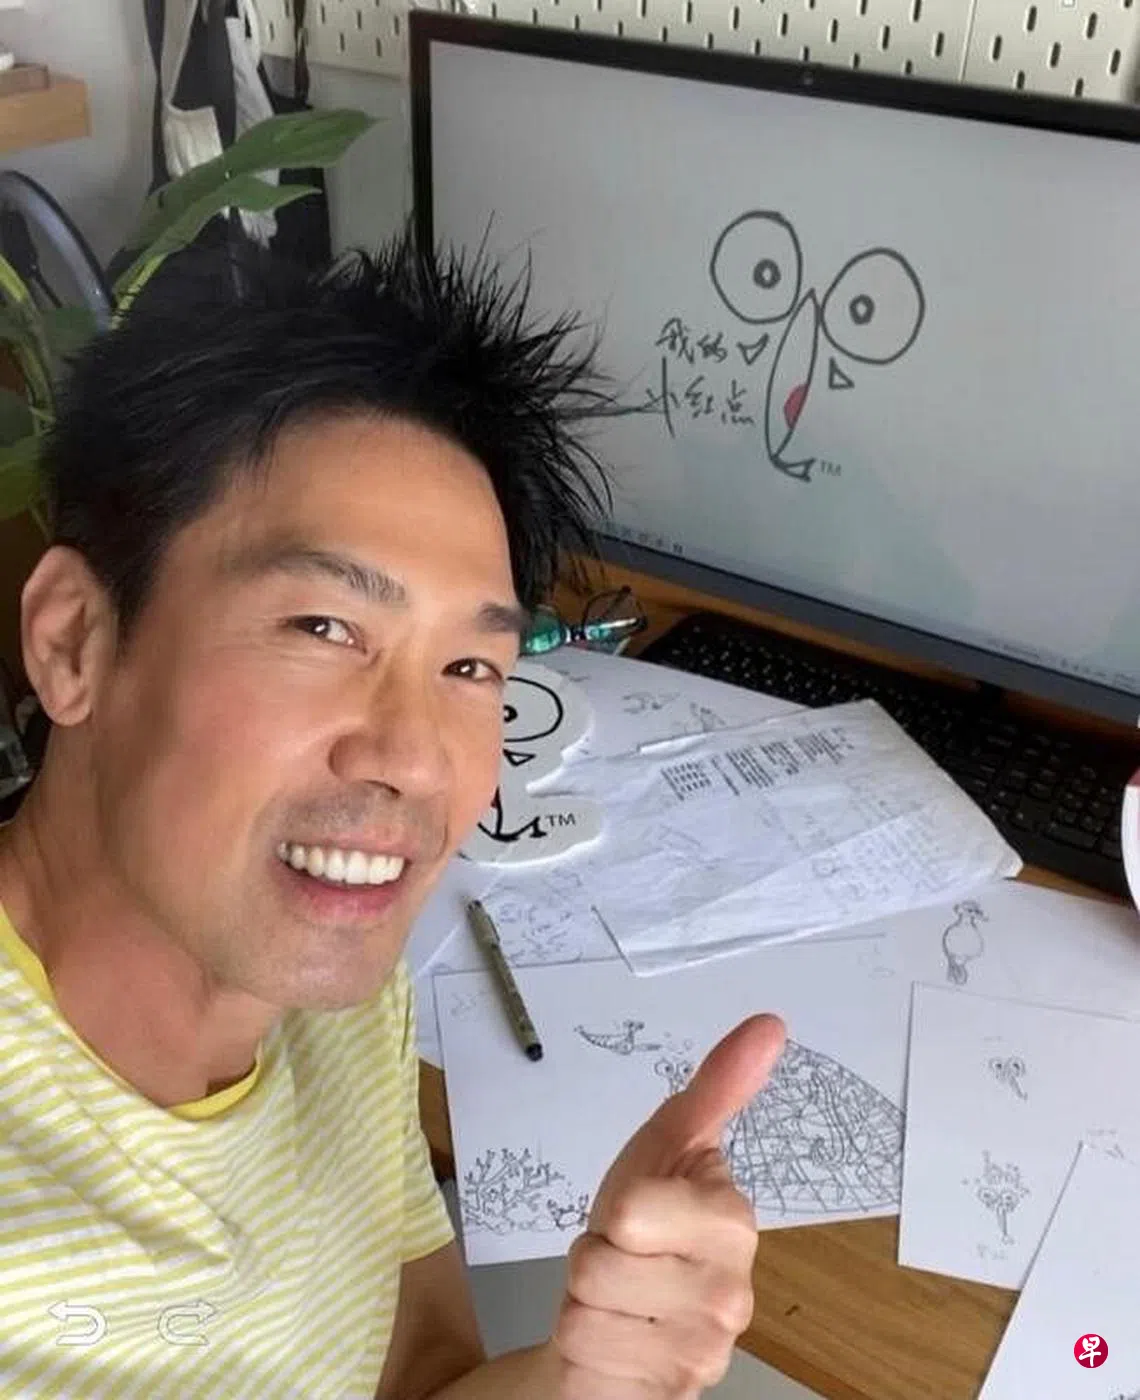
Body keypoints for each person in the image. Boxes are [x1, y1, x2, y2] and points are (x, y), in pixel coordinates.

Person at [0, 234, 785, 1399]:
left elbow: (417, 1369)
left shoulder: (346, 1004)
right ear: (76, 641)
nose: (416, 759)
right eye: (323, 627)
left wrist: (581, 1379)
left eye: (470, 666)